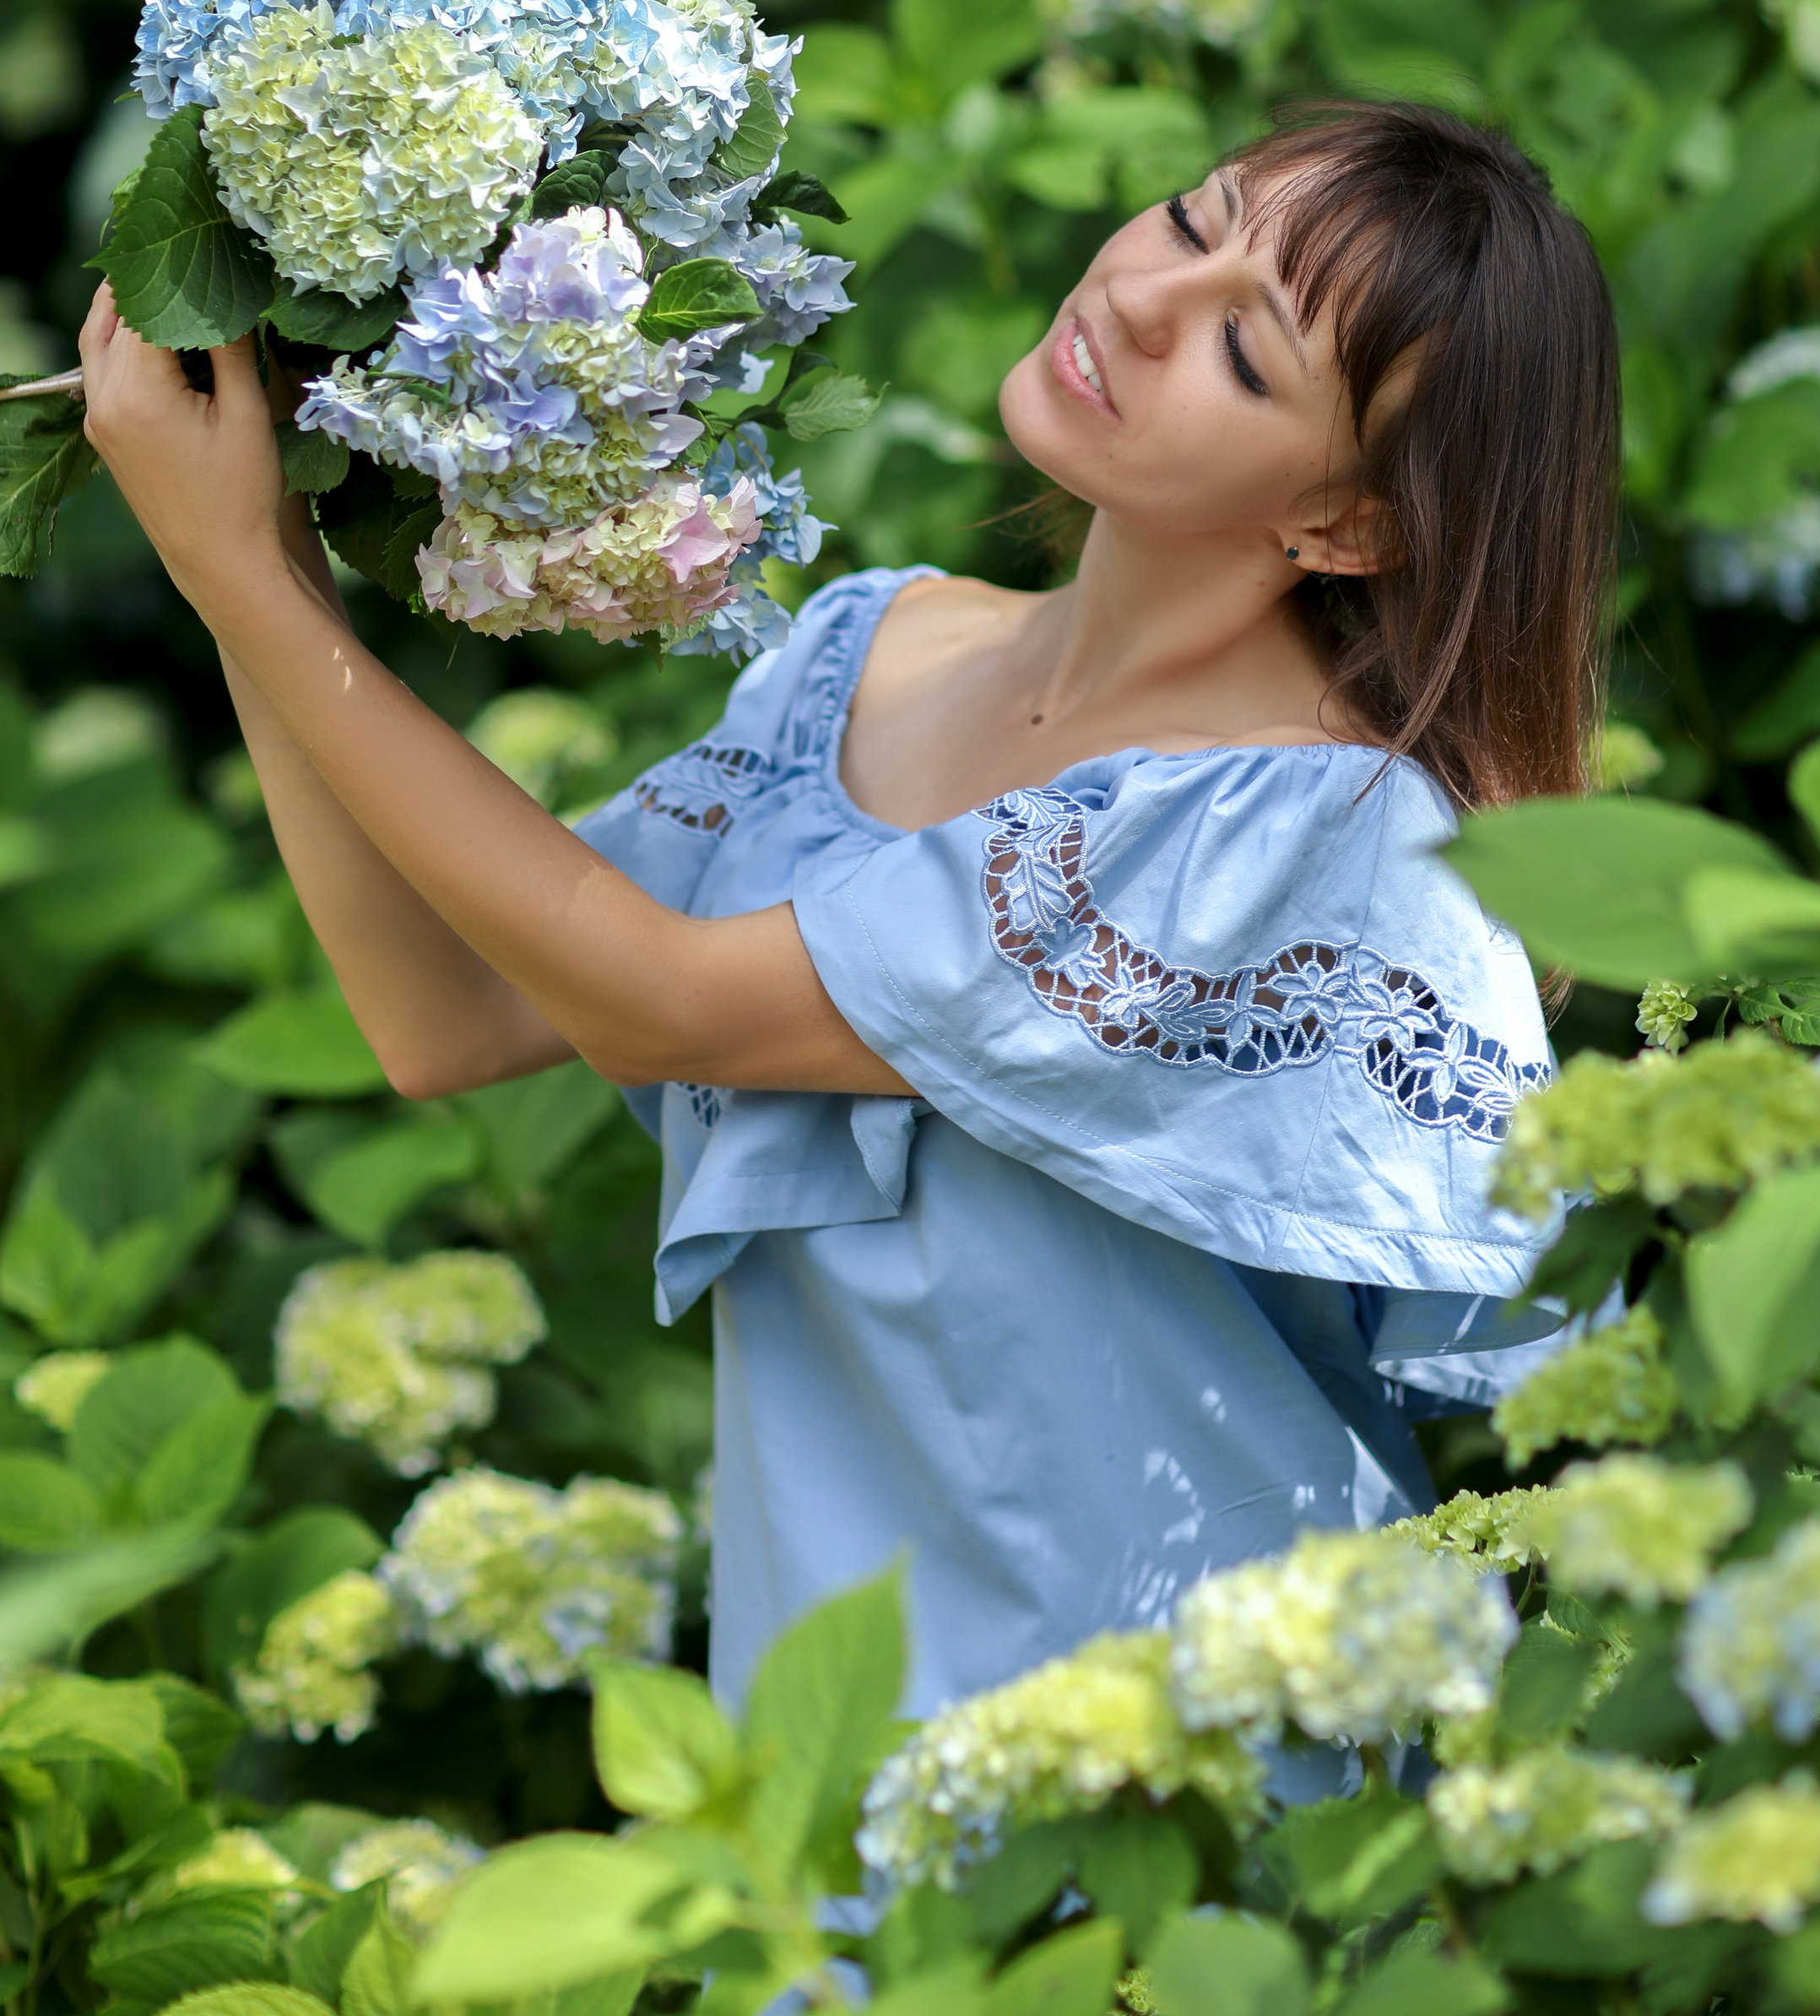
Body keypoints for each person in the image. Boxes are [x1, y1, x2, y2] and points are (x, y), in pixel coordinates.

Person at [78, 98, 1618, 1716]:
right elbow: (445, 1015)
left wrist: (235, 571)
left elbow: (658, 1002)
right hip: (820, 1740)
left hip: (1178, 1755)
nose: (1144, 299)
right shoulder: (872, 652)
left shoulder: (1299, 823)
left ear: (1350, 524)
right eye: (1188, 218)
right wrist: (260, 560)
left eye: (1246, 351)